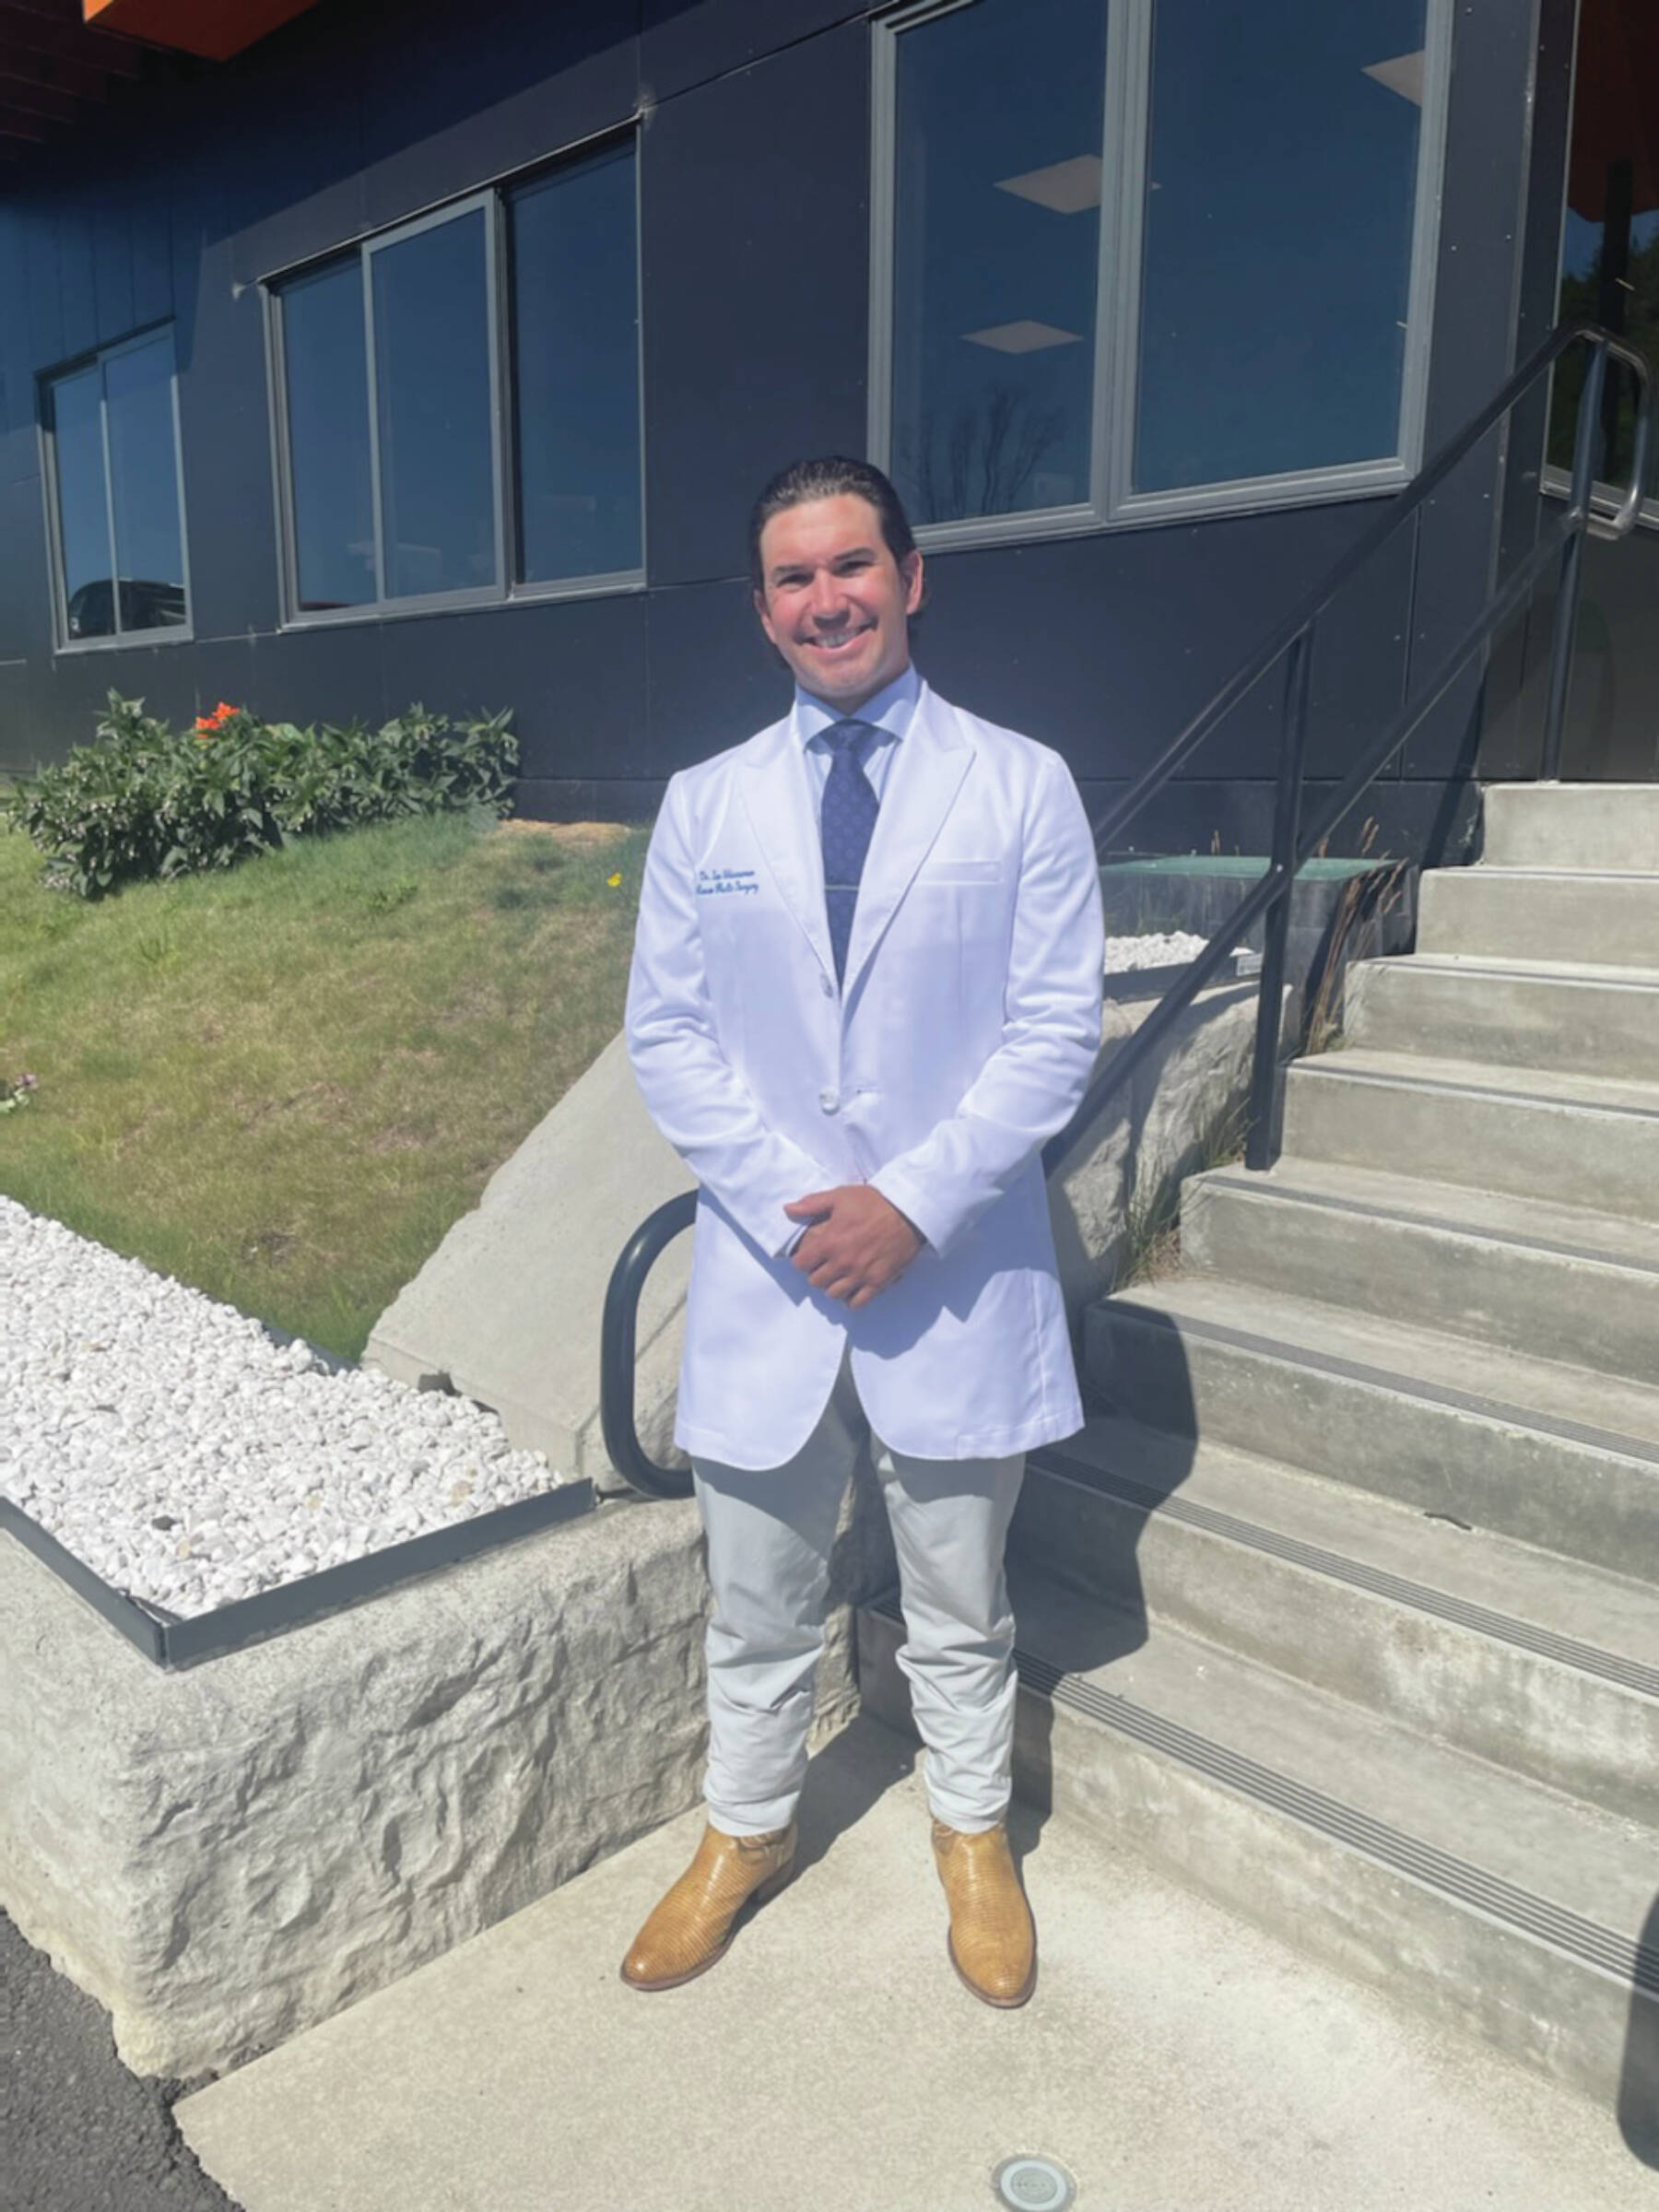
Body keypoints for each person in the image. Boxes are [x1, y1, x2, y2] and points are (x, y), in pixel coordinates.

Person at [620, 456, 1104, 2006]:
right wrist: (804, 1212)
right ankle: (744, 1831)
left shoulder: (1021, 782)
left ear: (912, 576)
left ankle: (973, 1834)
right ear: (762, 610)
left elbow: (1053, 1031)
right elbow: (670, 1038)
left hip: (951, 1272)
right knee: (755, 1600)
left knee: (962, 1594)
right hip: (773, 1279)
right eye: (792, 577)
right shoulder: (708, 804)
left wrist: (910, 1203)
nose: (825, 598)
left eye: (851, 566)